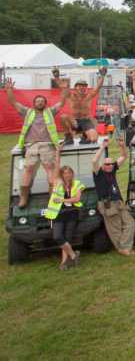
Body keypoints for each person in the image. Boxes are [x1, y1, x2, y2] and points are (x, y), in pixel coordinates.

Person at [6, 77, 68, 208]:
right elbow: (13, 102)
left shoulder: (50, 112)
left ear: (45, 103)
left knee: (50, 170)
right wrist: (9, 90)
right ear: (33, 103)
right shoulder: (27, 112)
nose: (40, 102)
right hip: (31, 146)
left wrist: (64, 88)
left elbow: (62, 102)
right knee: (28, 170)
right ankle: (23, 198)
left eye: (42, 101)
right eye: (37, 101)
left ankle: (52, 197)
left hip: (47, 145)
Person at [92, 135, 135, 256]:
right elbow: (94, 161)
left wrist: (122, 146)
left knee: (130, 223)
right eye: (106, 164)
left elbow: (124, 156)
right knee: (115, 228)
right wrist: (102, 147)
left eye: (111, 163)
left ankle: (124, 246)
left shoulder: (113, 169)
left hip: (119, 202)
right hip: (108, 204)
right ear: (103, 166)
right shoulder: (98, 173)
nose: (109, 165)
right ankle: (123, 249)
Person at [46, 165, 83, 270]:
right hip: (59, 214)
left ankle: (64, 263)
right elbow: (56, 166)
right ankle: (73, 255)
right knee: (57, 236)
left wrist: (63, 200)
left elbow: (77, 199)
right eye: (65, 173)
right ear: (61, 175)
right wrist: (58, 151)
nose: (67, 175)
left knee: (67, 238)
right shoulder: (57, 183)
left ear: (72, 173)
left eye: (69, 173)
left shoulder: (77, 184)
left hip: (72, 213)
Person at [62, 67, 107, 142]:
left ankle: (85, 136)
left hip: (85, 120)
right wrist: (57, 77)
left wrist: (102, 76)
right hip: (74, 121)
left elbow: (98, 87)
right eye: (79, 86)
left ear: (86, 87)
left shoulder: (89, 96)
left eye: (83, 86)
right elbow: (63, 88)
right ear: (76, 87)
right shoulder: (71, 95)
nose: (81, 87)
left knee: (94, 139)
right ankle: (69, 136)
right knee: (63, 117)